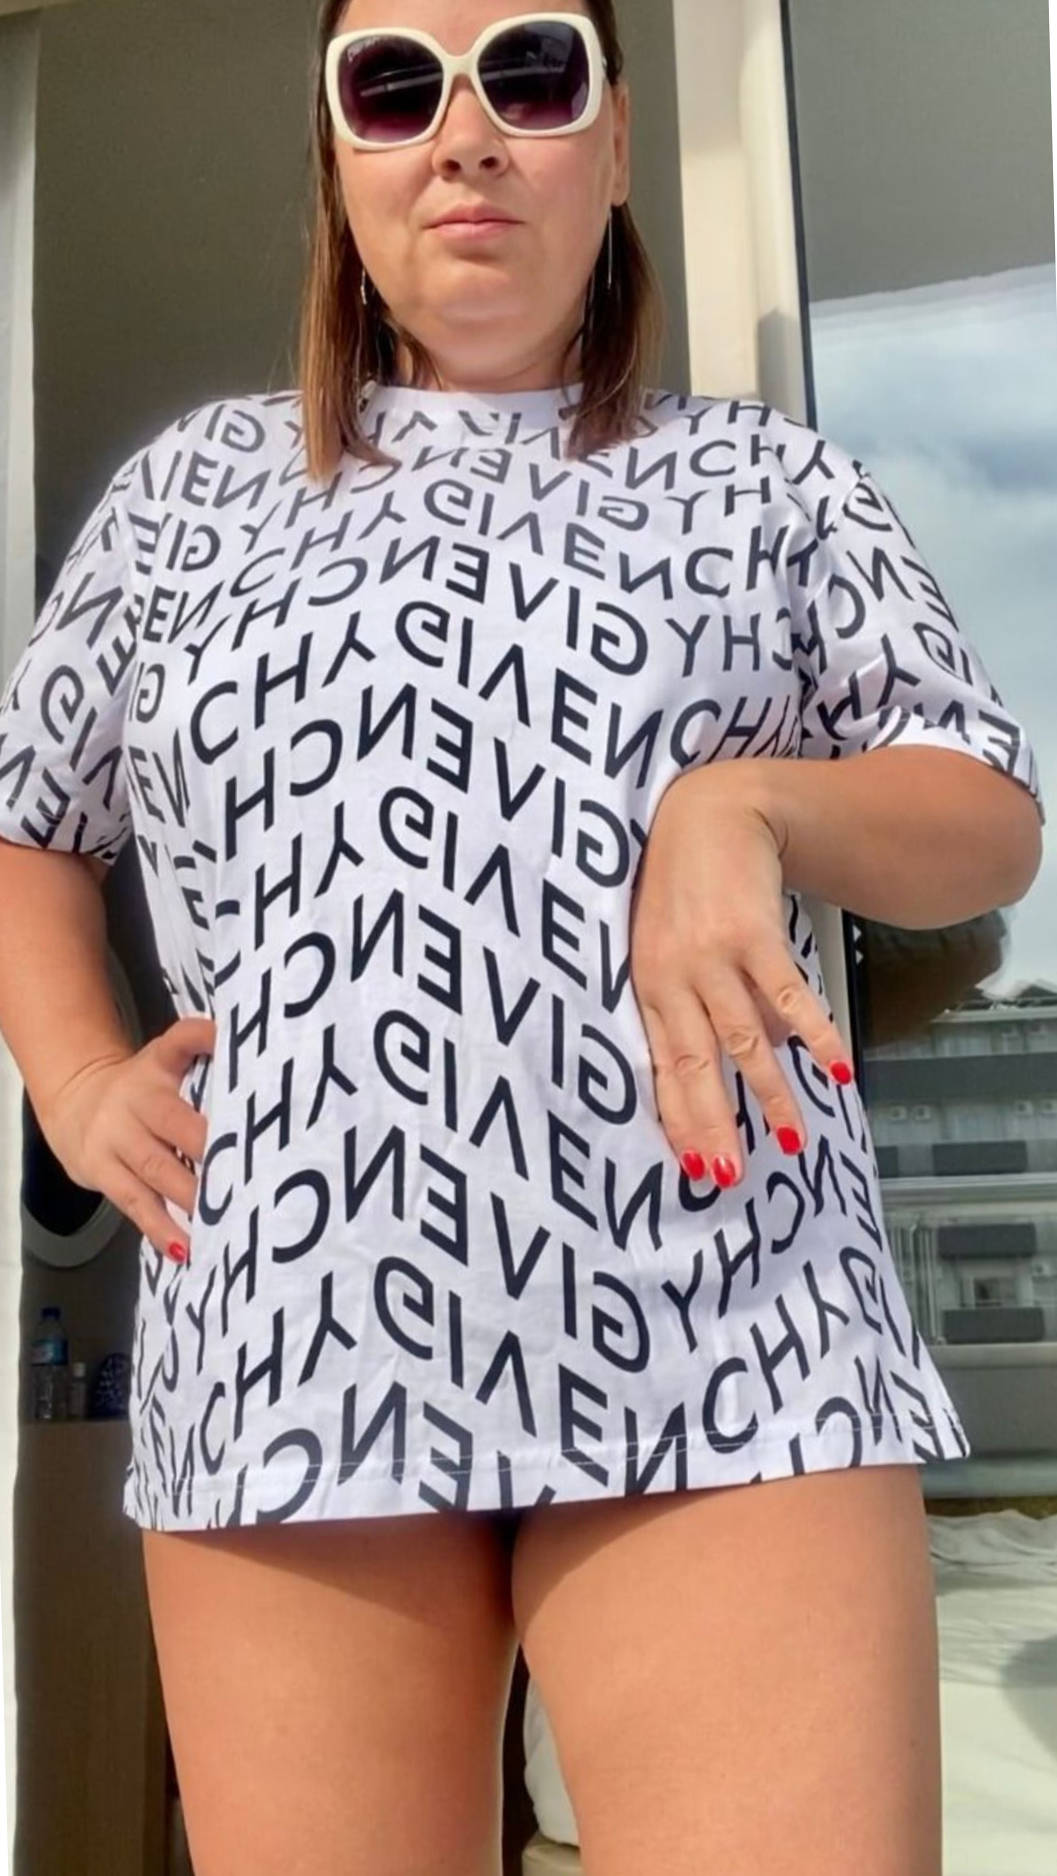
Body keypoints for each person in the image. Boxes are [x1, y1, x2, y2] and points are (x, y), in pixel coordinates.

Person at [0, 4, 1044, 1873]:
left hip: (725, 1317)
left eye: (532, 72)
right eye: (394, 84)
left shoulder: (770, 483)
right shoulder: (184, 496)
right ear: (339, 160)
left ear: (615, 144)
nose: (464, 131)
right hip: (298, 1325)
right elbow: (30, 826)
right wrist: (77, 1082)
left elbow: (982, 812)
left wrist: (747, 805)